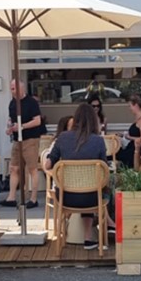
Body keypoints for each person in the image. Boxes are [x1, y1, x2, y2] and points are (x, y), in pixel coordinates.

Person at [45, 103, 107, 250]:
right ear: (94, 120)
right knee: (98, 189)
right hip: (92, 197)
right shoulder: (98, 140)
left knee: (86, 189)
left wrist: (50, 155)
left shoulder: (63, 138)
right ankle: (89, 238)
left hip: (66, 197)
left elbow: (47, 165)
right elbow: (104, 171)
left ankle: (62, 240)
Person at [2, 79, 46, 208]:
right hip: (17, 139)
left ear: (22, 89)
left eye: (14, 88)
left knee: (32, 168)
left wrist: (22, 126)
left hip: (30, 138)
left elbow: (37, 121)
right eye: (11, 88)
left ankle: (33, 198)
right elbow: (11, 119)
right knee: (14, 168)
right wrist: (10, 127)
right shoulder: (12, 103)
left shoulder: (31, 103)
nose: (12, 91)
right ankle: (11, 197)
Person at [118, 94, 141, 169]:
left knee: (113, 155)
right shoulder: (138, 119)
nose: (129, 108)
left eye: (130, 106)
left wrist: (128, 137)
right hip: (130, 148)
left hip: (133, 150)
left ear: (136, 105)